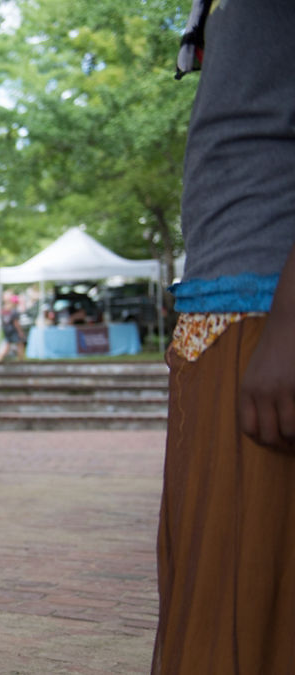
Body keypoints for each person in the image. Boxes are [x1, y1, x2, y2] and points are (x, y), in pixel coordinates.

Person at [153, 2, 295, 673]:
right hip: (218, 319)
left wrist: (292, 320)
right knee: (204, 595)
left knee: (252, 603)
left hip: (268, 314)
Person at [0, 294, 26, 361]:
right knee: (19, 344)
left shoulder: (5, 311)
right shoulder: (14, 311)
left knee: (7, 345)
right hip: (13, 331)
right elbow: (15, 323)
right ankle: (21, 360)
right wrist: (20, 331)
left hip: (7, 330)